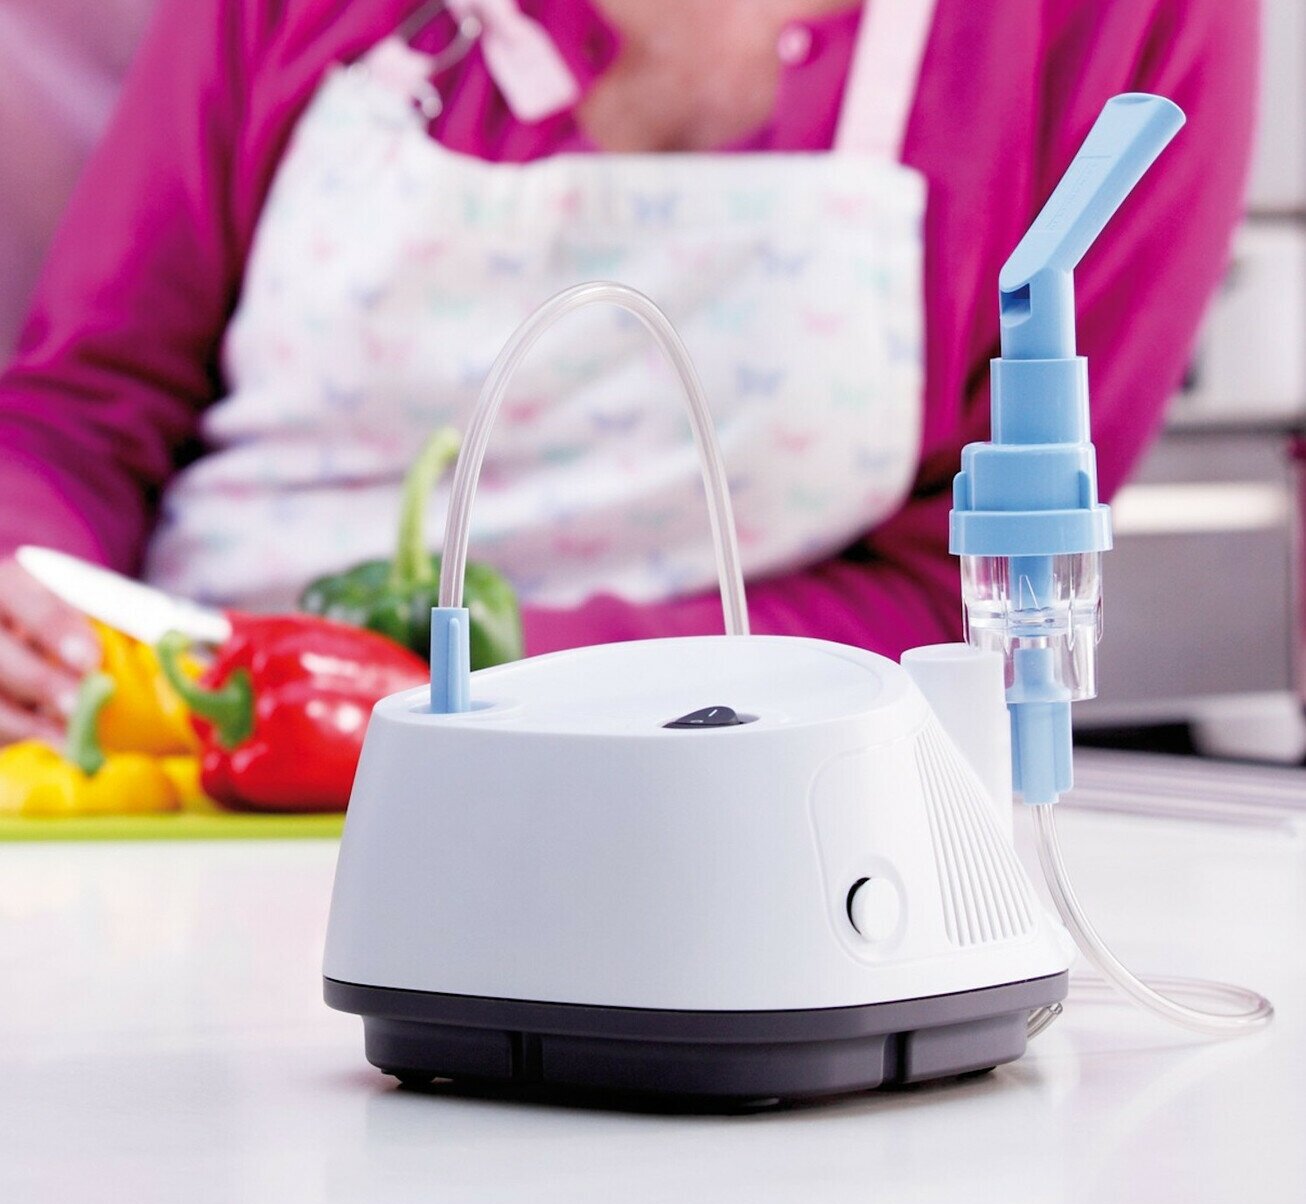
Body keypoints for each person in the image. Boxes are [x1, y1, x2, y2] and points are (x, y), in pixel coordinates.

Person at [0, 0, 1257, 742]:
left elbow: (966, 598)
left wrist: (465, 693)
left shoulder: (1117, 28)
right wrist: (23, 585)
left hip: (743, 812)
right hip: (198, 752)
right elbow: (86, 409)